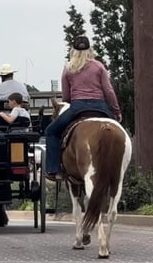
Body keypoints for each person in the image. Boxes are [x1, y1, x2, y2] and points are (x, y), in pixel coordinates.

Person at [44, 35, 122, 180]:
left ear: (73, 50)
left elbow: (66, 97)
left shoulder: (68, 68)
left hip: (77, 107)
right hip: (101, 107)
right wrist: (116, 111)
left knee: (51, 132)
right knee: (121, 135)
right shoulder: (99, 66)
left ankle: (54, 170)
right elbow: (109, 91)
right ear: (90, 50)